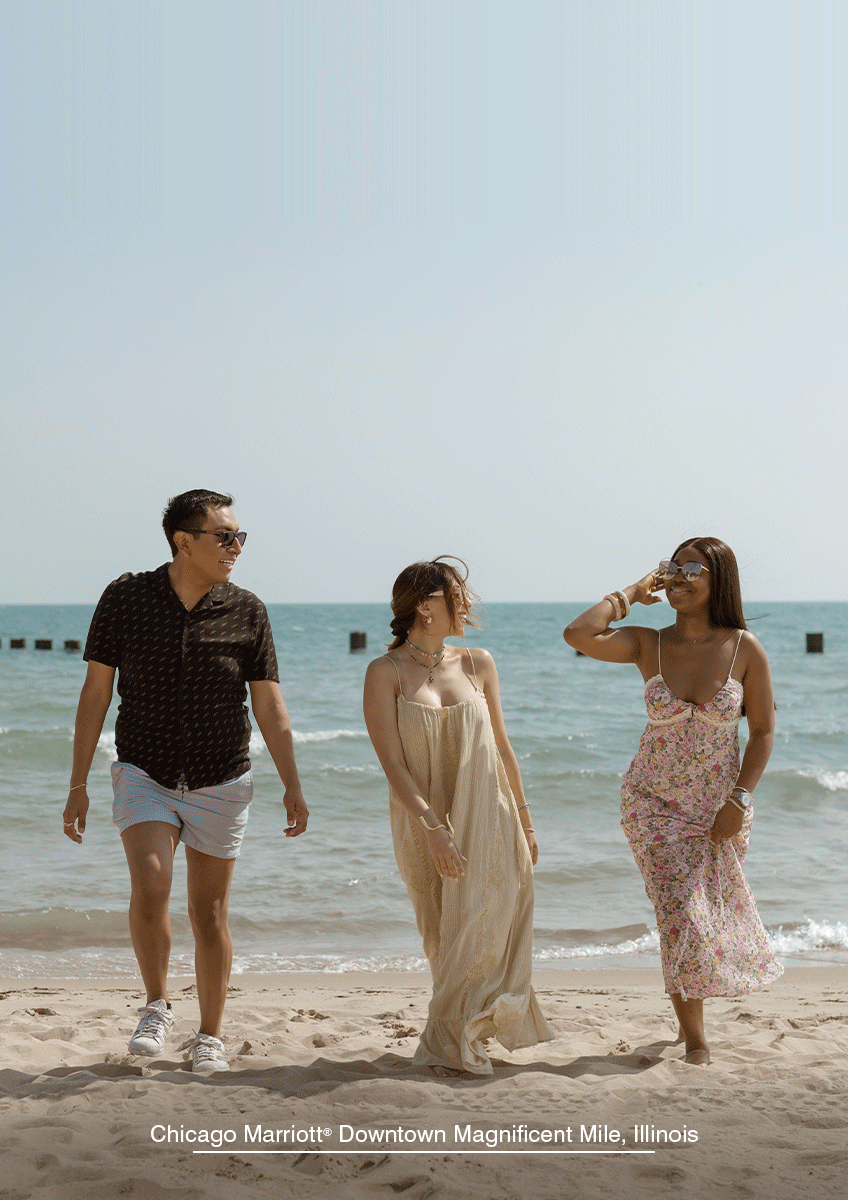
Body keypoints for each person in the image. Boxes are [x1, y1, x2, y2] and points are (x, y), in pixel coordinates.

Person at [62, 489, 308, 1073]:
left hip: (221, 776)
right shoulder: (125, 598)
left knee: (209, 913)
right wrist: (77, 784)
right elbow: (96, 693)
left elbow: (269, 705)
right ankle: (156, 1005)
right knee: (151, 884)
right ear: (183, 541)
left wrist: (292, 784)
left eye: (239, 537)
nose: (236, 547)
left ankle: (210, 1036)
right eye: (225, 536)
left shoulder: (247, 610)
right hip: (143, 768)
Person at [564, 536, 783, 1065]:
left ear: (719, 581)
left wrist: (739, 799)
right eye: (672, 568)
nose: (679, 578)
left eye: (693, 570)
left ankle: (692, 1024)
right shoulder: (649, 644)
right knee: (680, 913)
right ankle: (696, 1038)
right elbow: (579, 634)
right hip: (652, 804)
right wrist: (633, 592)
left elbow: (762, 732)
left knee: (701, 916)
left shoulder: (744, 649)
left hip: (718, 809)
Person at [363, 557, 553, 1076]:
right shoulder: (384, 672)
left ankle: (461, 1035)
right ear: (426, 607)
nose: (468, 605)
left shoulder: (478, 663)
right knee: (443, 934)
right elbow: (392, 764)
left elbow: (504, 749)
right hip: (423, 822)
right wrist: (434, 828)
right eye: (457, 596)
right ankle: (458, 1030)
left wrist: (526, 821)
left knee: (491, 922)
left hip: (490, 815)